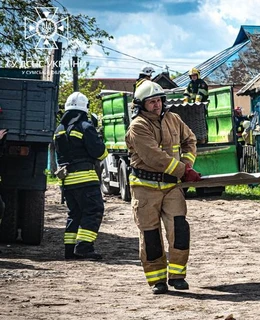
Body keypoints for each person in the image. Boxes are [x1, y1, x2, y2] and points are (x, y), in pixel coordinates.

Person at [125, 80, 202, 295]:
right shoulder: (138, 126)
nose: (156, 105)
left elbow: (190, 140)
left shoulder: (173, 119)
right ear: (141, 105)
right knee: (150, 236)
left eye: (158, 100)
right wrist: (183, 171)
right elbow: (154, 157)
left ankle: (177, 276)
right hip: (144, 188)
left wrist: (187, 163)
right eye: (151, 102)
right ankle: (157, 280)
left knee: (179, 229)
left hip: (171, 188)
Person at [53, 92, 108, 260]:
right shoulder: (85, 126)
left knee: (74, 213)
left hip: (67, 181)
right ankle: (84, 247)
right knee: (93, 210)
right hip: (85, 179)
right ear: (85, 108)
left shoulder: (59, 129)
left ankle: (70, 250)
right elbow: (100, 153)